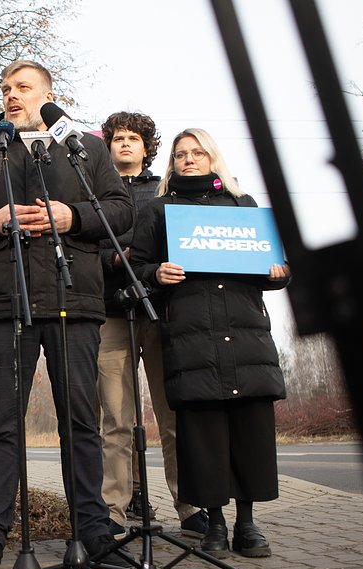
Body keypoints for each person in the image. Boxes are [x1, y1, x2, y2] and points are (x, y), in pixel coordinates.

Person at [0, 59, 134, 569]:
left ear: (47, 94)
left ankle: (93, 531)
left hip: (76, 300)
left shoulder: (85, 148)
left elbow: (121, 211)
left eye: (23, 88)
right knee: (2, 424)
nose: (11, 95)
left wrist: (74, 217)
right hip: (7, 304)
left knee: (80, 420)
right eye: (5, 89)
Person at [129, 127, 290, 558]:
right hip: (191, 336)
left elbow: (272, 264)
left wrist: (279, 272)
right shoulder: (160, 211)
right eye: (180, 154)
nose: (188, 159)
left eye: (197, 152)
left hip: (244, 335)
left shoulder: (243, 206)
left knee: (249, 432)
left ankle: (248, 524)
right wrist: (155, 274)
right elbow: (139, 266)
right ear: (171, 163)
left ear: (212, 158)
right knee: (202, 436)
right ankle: (214, 523)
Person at [96, 112, 208, 538]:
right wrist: (113, 257)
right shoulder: (95, 191)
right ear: (107, 145)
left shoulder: (167, 192)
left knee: (174, 415)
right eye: (118, 138)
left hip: (162, 313)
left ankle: (190, 505)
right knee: (117, 420)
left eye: (134, 138)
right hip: (110, 314)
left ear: (147, 146)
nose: (125, 144)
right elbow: (88, 245)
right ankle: (114, 511)